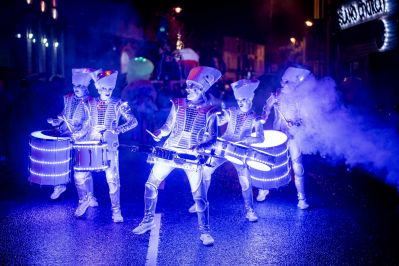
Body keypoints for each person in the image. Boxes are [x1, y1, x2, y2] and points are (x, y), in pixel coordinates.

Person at [132, 66, 221, 246]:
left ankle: (204, 232)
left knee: (199, 196)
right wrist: (160, 132)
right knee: (150, 184)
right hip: (170, 151)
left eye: (192, 87)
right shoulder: (178, 104)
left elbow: (213, 139)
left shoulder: (211, 112)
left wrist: (200, 146)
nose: (188, 90)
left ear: (202, 88)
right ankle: (148, 221)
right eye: (187, 86)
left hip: (191, 156)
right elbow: (168, 126)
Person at [189, 79, 264, 222]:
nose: (240, 102)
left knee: (245, 180)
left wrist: (247, 140)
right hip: (223, 147)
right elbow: (219, 120)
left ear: (249, 99)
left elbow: (260, 138)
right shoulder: (231, 111)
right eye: (238, 100)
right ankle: (200, 202)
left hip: (240, 151)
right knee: (205, 171)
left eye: (243, 100)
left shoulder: (256, 118)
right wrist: (211, 118)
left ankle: (250, 211)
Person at [73, 70, 138, 222]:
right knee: (79, 175)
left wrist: (117, 129)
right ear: (98, 88)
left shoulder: (119, 103)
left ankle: (116, 211)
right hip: (90, 144)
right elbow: (85, 124)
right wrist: (77, 134)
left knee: (113, 179)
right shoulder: (88, 103)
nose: (107, 92)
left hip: (110, 146)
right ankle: (84, 200)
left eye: (109, 89)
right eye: (103, 89)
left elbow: (133, 121)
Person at [260, 66, 311, 209]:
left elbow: (305, 118)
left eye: (287, 82)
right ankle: (264, 189)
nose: (283, 84)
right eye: (283, 81)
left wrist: (295, 123)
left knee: (297, 166)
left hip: (294, 136)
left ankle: (302, 198)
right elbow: (266, 108)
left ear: (295, 84)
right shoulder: (276, 95)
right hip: (278, 134)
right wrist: (264, 116)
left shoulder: (301, 100)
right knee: (270, 162)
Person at [47, 68, 94, 200]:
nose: (76, 88)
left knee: (84, 167)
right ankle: (59, 185)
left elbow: (89, 121)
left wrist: (79, 134)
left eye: (79, 86)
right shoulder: (68, 98)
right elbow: (63, 114)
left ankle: (90, 196)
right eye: (75, 86)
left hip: (83, 138)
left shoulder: (90, 101)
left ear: (85, 87)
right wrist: (56, 121)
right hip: (66, 134)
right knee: (59, 160)